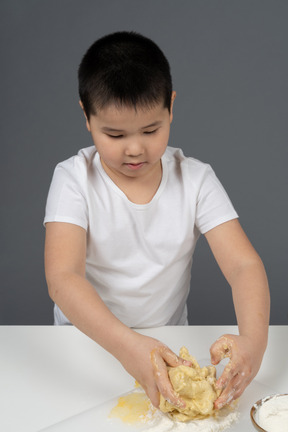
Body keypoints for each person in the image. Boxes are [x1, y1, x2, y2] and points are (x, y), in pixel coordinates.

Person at [44, 31, 270, 411]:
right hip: (85, 343)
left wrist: (254, 343)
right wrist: (127, 345)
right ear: (86, 115)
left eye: (151, 130)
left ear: (171, 107)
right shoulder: (73, 179)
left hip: (165, 342)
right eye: (114, 134)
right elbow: (63, 278)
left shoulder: (195, 179)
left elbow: (244, 264)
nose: (135, 148)